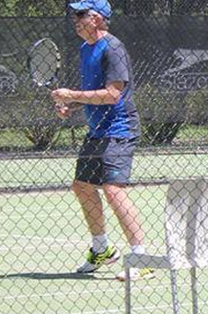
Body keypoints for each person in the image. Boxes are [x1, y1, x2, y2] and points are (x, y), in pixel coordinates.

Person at [54, 0, 151, 281]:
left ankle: (141, 258)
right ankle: (102, 249)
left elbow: (112, 95)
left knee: (113, 189)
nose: (76, 18)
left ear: (97, 18)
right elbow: (92, 92)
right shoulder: (86, 49)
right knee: (82, 186)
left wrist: (72, 94)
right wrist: (70, 106)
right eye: (75, 13)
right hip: (98, 130)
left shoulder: (113, 49)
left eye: (81, 14)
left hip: (120, 129)